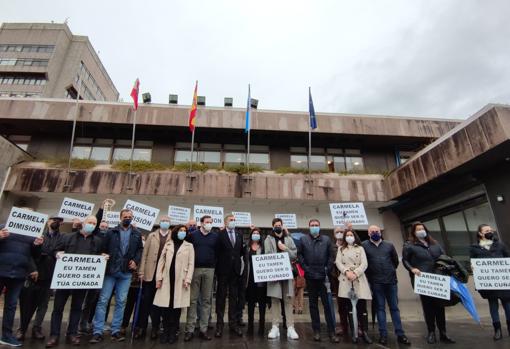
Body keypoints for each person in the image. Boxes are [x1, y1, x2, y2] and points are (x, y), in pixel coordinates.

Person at [45, 216, 107, 347]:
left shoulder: (97, 241)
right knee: (58, 308)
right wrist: (57, 254)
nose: (91, 225)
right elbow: (54, 250)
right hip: (65, 280)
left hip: (82, 282)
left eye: (94, 223)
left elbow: (100, 256)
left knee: (77, 308)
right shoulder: (68, 237)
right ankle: (54, 335)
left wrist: (104, 257)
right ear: (83, 224)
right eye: (89, 222)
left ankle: (72, 334)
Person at [89, 209, 143, 343]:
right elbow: (102, 248)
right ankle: (97, 331)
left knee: (121, 301)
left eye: (130, 217)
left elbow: (140, 250)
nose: (128, 218)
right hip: (110, 271)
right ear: (120, 218)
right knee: (103, 300)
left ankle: (116, 330)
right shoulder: (111, 232)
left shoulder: (136, 233)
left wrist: (135, 261)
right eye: (125, 216)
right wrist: (102, 254)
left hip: (126, 273)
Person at [402, 222, 455, 345]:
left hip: (438, 280)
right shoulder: (410, 245)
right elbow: (405, 260)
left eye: (422, 229)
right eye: (418, 229)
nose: (421, 231)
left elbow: (443, 257)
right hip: (423, 280)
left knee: (440, 307)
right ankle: (431, 332)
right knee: (428, 307)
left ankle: (443, 333)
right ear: (414, 232)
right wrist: (412, 269)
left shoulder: (434, 244)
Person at [17, 214, 65, 341]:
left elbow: (59, 252)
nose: (56, 222)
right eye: (54, 220)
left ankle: (36, 328)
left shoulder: (62, 238)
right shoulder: (38, 235)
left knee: (43, 305)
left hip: (49, 275)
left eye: (59, 221)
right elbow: (29, 253)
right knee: (27, 303)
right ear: (48, 222)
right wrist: (33, 269)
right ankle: (22, 328)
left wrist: (51, 252)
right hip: (34, 274)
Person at [362, 225, 410, 345]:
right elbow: (364, 263)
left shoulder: (389, 245)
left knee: (394, 308)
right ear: (368, 234)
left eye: (377, 231)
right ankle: (383, 334)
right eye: (372, 231)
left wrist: (390, 271)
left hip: (391, 281)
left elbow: (395, 261)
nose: (375, 233)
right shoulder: (364, 245)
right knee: (380, 309)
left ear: (380, 232)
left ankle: (400, 334)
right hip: (376, 282)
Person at [0, 222, 43, 347]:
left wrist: (37, 245)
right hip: (1, 271)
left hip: (19, 274)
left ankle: (6, 336)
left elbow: (35, 255)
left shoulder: (32, 234)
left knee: (11, 306)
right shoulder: (3, 227)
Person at [298, 219, 339, 343]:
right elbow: (300, 256)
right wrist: (306, 269)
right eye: (312, 225)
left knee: (327, 305)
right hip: (311, 277)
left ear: (319, 227)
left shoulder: (326, 240)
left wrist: (327, 268)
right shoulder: (303, 240)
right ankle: (316, 331)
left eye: (316, 225)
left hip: (324, 277)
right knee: (313, 305)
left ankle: (332, 331)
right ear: (309, 227)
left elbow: (331, 256)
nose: (314, 227)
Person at [153, 225, 194, 343]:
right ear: (176, 232)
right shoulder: (168, 244)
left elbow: (191, 264)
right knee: (165, 307)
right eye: (181, 231)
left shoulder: (189, 246)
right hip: (167, 280)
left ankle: (173, 332)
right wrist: (159, 278)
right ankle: (165, 332)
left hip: (180, 280)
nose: (183, 233)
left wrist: (188, 279)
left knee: (176, 308)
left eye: (184, 231)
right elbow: (161, 261)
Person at [469, 224, 510, 340]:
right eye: (487, 230)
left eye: (491, 230)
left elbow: (508, 258)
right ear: (480, 234)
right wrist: (473, 267)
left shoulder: (500, 245)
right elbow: (472, 261)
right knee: (493, 305)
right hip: (489, 283)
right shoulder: (474, 248)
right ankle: (497, 330)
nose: (490, 232)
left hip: (503, 281)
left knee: (507, 304)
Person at [136, 216, 172, 339]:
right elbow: (144, 254)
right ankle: (142, 327)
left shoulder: (172, 236)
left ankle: (155, 328)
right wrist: (141, 271)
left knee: (158, 304)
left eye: (167, 221)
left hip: (163, 276)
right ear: (159, 223)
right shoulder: (151, 236)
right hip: (149, 274)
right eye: (163, 221)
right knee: (146, 302)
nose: (165, 223)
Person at [183, 215, 218, 341]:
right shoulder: (193, 236)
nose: (209, 224)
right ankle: (190, 329)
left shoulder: (215, 236)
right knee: (192, 300)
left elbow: (218, 252)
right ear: (201, 223)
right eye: (207, 222)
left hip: (209, 270)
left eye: (211, 222)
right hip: (195, 269)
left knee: (206, 300)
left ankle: (203, 329)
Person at [264, 218, 299, 340]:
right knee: (275, 300)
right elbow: (267, 255)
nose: (278, 227)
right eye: (276, 225)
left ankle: (290, 327)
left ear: (282, 226)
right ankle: (275, 327)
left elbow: (294, 254)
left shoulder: (289, 239)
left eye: (280, 225)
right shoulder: (268, 239)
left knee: (288, 300)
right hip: (274, 273)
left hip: (287, 273)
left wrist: (286, 249)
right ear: (273, 227)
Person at [336, 230, 372, 344]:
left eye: (351, 235)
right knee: (350, 308)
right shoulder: (340, 249)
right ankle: (354, 333)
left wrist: (355, 273)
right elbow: (338, 262)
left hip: (359, 279)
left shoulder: (360, 249)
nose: (349, 237)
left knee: (362, 307)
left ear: (355, 237)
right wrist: (347, 272)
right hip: (346, 279)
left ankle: (365, 332)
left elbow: (364, 263)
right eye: (347, 235)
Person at [215, 214, 244, 338]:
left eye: (234, 220)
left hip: (235, 272)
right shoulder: (220, 235)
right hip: (223, 271)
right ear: (225, 222)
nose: (233, 222)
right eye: (231, 220)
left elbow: (241, 252)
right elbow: (216, 252)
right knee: (221, 298)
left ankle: (233, 324)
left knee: (234, 298)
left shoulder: (239, 235)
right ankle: (219, 326)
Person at [242, 228, 267, 335]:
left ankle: (262, 327)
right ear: (251, 235)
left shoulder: (264, 248)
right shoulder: (246, 248)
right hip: (250, 280)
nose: (256, 235)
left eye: (258, 233)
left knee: (262, 305)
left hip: (261, 281)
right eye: (254, 233)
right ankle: (250, 326)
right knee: (250, 304)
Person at [329, 226, 349, 337]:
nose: (340, 233)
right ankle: (343, 326)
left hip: (351, 278)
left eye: (342, 232)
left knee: (354, 303)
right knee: (341, 304)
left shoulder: (350, 246)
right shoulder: (331, 247)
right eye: (337, 232)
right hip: (337, 279)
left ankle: (358, 326)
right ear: (334, 234)